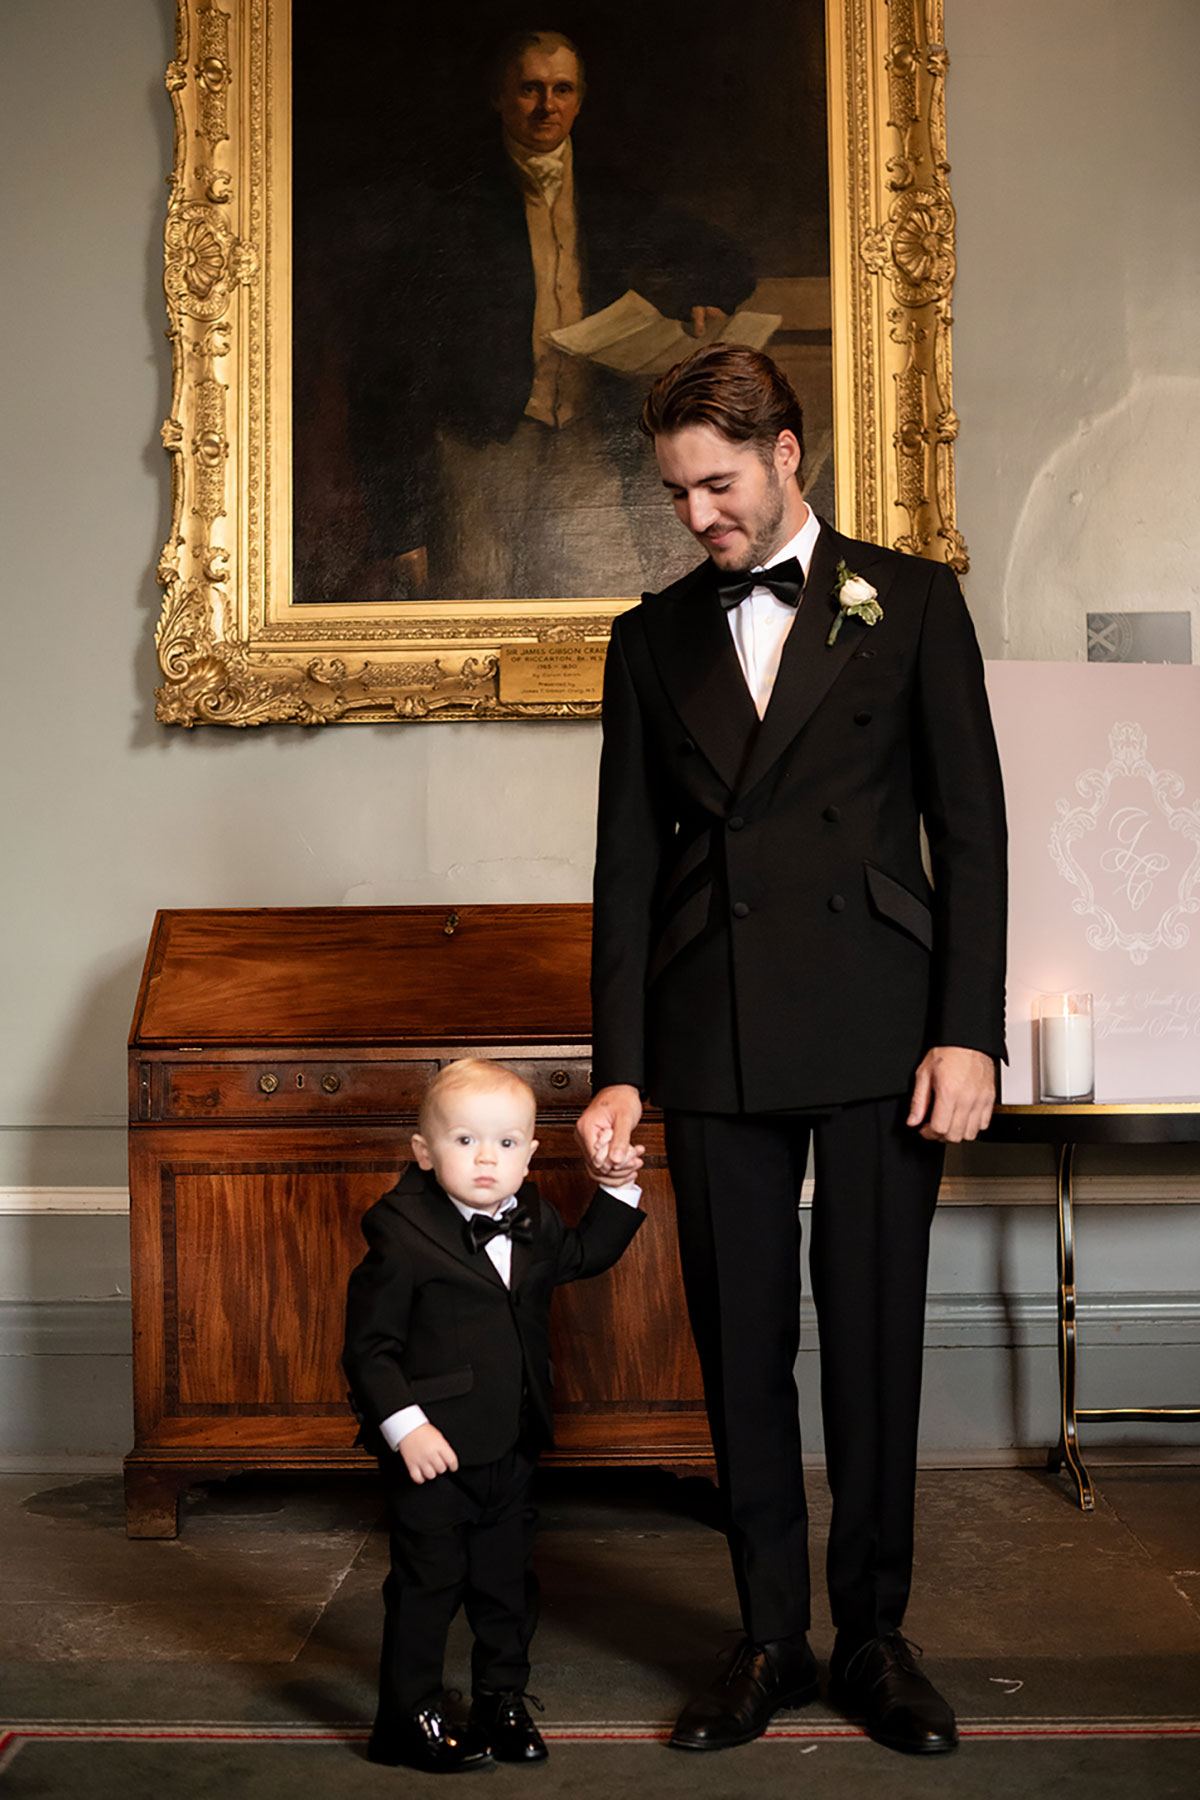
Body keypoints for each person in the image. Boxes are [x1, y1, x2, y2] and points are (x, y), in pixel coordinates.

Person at [576, 344, 1007, 1757]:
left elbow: (973, 833)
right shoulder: (650, 640)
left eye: (717, 483)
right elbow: (627, 870)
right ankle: (769, 1636)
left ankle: (875, 1637)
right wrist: (623, 1064)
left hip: (883, 1020)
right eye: (676, 492)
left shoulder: (913, 600)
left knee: (874, 1341)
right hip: (713, 1030)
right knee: (740, 1345)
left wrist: (967, 1032)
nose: (697, 514)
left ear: (786, 455)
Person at [350, 29, 754, 600]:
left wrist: (708, 291)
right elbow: (384, 362)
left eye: (562, 90)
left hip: (585, 437)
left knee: (604, 597)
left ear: (579, 100)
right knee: (476, 596)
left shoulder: (604, 187)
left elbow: (723, 257)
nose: (547, 106)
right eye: (530, 89)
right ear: (499, 97)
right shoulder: (448, 198)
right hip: (482, 441)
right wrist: (399, 528)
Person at [344, 1058, 644, 1774]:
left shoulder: (532, 1216)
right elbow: (369, 1348)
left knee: (506, 1585)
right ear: (424, 1152)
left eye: (507, 1144)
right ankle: (406, 1717)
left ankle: (500, 1699)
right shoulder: (400, 1231)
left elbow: (587, 1253)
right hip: (435, 1452)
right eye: (465, 1141)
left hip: (512, 1441)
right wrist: (407, 1427)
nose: (487, 1159)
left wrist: (616, 1187)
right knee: (427, 1586)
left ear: (530, 1153)